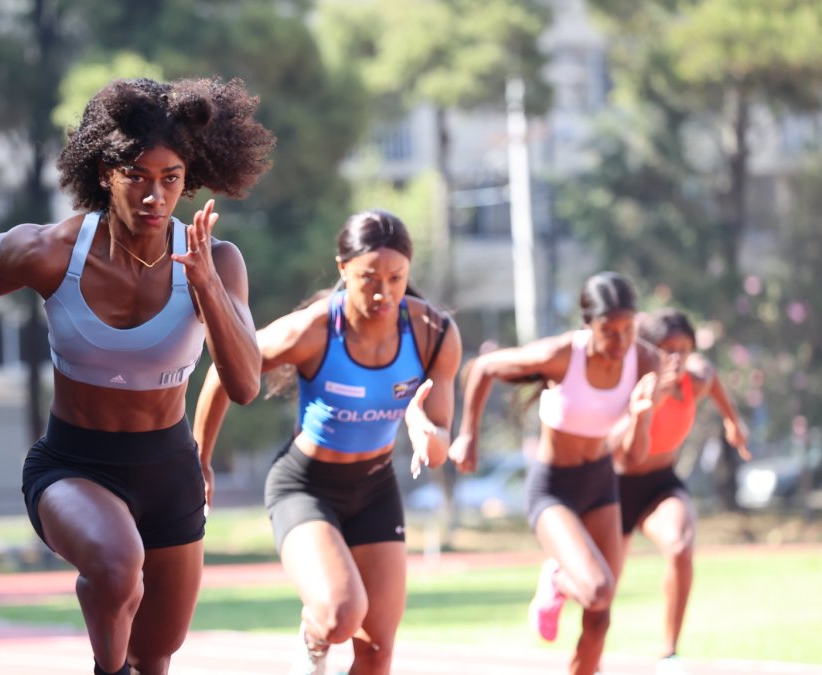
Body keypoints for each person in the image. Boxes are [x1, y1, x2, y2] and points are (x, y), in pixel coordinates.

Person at [0, 77, 275, 675]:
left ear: (190, 180)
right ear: (104, 172)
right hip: (73, 466)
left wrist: (207, 288)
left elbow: (244, 386)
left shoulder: (215, 262)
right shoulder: (51, 252)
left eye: (171, 179)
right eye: (136, 175)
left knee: (157, 651)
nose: (153, 196)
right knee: (116, 568)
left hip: (169, 470)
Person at [193, 210, 462, 675]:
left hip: (375, 490)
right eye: (368, 278)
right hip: (306, 487)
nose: (384, 292)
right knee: (340, 616)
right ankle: (314, 639)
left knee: (377, 650)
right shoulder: (314, 330)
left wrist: (424, 430)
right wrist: (201, 460)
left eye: (396, 278)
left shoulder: (433, 335)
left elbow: (439, 449)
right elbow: (223, 371)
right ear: (342, 269)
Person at [449, 272, 666, 675]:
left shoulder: (647, 361)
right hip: (553, 489)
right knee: (597, 588)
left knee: (600, 616)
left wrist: (641, 416)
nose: (620, 343)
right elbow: (483, 367)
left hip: (601, 482)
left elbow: (634, 458)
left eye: (628, 330)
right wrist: (468, 436)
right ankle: (557, 579)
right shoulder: (564, 354)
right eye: (608, 331)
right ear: (588, 325)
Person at [614, 309, 749, 674]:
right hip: (612, 488)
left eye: (684, 349)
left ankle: (669, 653)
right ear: (646, 350)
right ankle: (560, 577)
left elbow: (713, 377)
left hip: (659, 484)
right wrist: (646, 407)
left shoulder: (696, 378)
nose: (676, 358)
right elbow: (619, 449)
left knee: (680, 547)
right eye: (666, 349)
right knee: (599, 587)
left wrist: (732, 423)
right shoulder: (628, 384)